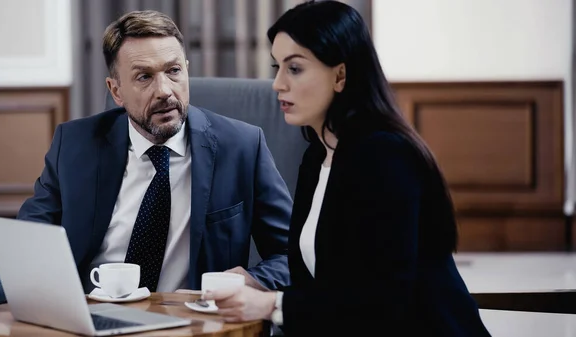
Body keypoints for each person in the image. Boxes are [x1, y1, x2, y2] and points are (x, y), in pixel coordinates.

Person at [201, 1, 491, 336]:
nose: (277, 84)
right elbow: (330, 286)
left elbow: (384, 300)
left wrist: (272, 305)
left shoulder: (386, 155)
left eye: (294, 69)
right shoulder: (316, 157)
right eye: (276, 67)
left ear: (340, 74)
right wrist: (257, 285)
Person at [0, 10, 292, 309]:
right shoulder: (75, 145)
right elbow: (31, 237)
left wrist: (251, 279)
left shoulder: (241, 147)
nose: (165, 91)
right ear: (116, 91)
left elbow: (293, 255)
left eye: (173, 71)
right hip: (91, 318)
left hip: (190, 323)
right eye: (144, 77)